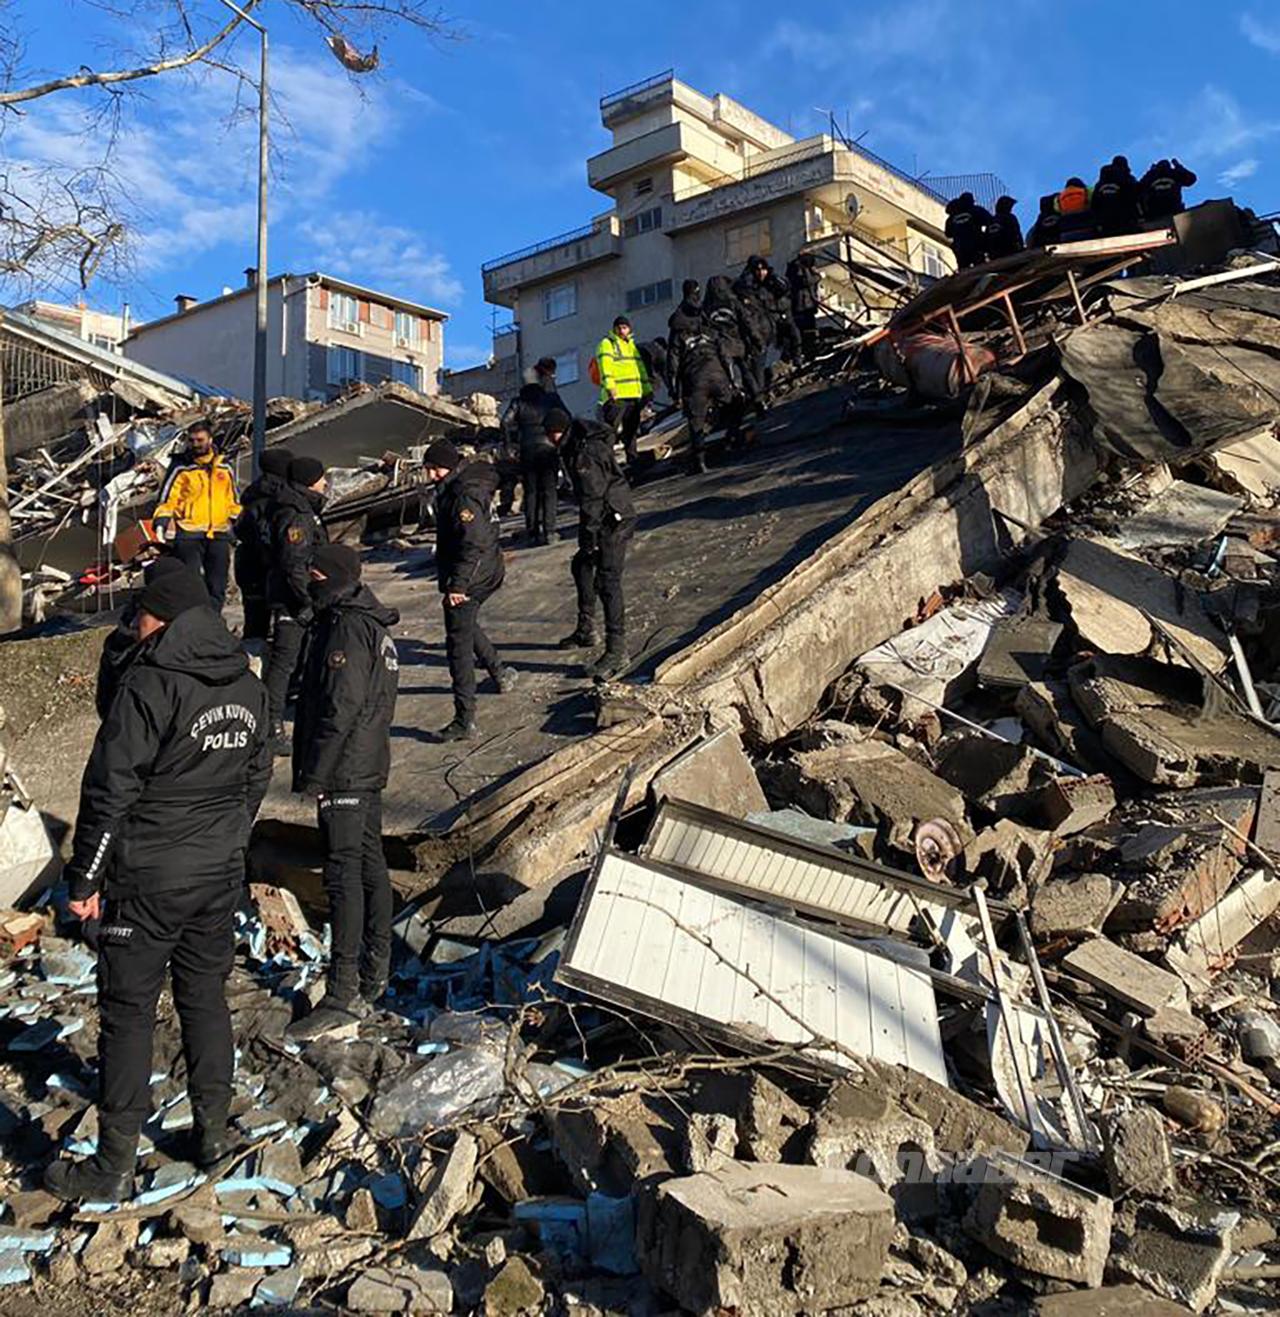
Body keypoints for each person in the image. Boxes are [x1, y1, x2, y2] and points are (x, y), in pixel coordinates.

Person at [45, 569, 270, 1203]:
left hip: (147, 875)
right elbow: (256, 775)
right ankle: (213, 1135)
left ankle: (114, 1164)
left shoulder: (150, 682)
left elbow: (109, 788)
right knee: (205, 998)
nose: (132, 623)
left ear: (161, 616)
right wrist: (228, 840)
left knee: (127, 1012)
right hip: (217, 874)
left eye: (138, 613)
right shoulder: (247, 684)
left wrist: (85, 877)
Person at [287, 544, 400, 1037]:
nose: (307, 583)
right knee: (369, 864)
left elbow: (340, 705)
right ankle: (376, 972)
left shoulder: (348, 628)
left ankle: (342, 991)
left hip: (346, 769)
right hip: (365, 763)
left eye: (314, 576)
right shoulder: (368, 624)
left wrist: (317, 773)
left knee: (343, 874)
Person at [422, 438, 515, 741]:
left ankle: (465, 719)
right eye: (428, 469)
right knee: (463, 623)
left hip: (473, 575)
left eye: (435, 469)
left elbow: (473, 543)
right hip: (483, 569)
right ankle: (499, 672)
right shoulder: (458, 487)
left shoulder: (463, 496)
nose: (431, 475)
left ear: (449, 466)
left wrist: (458, 584)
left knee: (457, 647)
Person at [543, 408, 635, 678]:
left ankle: (617, 650)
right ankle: (586, 629)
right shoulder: (573, 445)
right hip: (601, 515)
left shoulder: (585, 452)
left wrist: (590, 537)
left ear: (560, 430)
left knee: (608, 581)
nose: (550, 439)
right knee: (581, 565)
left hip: (613, 518)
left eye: (551, 434)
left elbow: (593, 497)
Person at [263, 456, 329, 753]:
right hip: (293, 600)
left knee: (301, 660)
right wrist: (308, 600)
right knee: (284, 662)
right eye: (321, 478)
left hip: (300, 595)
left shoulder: (302, 508)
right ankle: (271, 727)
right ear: (310, 482)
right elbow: (294, 564)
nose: (325, 483)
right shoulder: (296, 515)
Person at [152, 420, 241, 611]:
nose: (195, 445)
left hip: (218, 533)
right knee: (191, 582)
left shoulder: (224, 467)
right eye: (192, 441)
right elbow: (167, 499)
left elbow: (233, 500)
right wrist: (161, 521)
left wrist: (240, 524)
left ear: (210, 440)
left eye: (200, 440)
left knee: (217, 584)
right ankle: (192, 617)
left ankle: (213, 618)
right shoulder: (181, 468)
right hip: (189, 533)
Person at [233, 447, 293, 641]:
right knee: (285, 625)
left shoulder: (253, 493)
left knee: (255, 622)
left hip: (249, 565)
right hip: (271, 566)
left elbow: (240, 529)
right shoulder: (282, 496)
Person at [507, 382, 563, 545]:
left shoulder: (518, 402)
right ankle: (550, 531)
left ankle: (533, 532)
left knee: (531, 491)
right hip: (549, 447)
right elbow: (564, 416)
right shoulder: (551, 399)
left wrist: (510, 443)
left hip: (527, 450)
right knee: (549, 490)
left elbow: (505, 421)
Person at [594, 315, 652, 467]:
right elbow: (605, 366)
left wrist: (647, 390)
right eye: (619, 328)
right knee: (610, 432)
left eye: (624, 327)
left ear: (629, 329)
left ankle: (633, 460)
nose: (621, 330)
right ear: (614, 329)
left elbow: (640, 370)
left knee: (631, 431)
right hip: (617, 396)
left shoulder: (631, 346)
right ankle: (606, 464)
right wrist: (610, 387)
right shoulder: (607, 344)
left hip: (633, 395)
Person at [732, 256, 778, 400]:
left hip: (761, 332)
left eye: (764, 269)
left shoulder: (758, 285)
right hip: (756, 335)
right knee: (756, 367)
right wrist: (757, 337)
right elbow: (749, 318)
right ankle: (759, 397)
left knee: (756, 367)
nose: (762, 273)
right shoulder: (747, 287)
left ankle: (757, 395)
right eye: (759, 270)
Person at [1092, 156, 1141, 236]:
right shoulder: (1127, 179)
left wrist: (1097, 223)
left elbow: (1094, 205)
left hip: (1105, 225)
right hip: (1125, 222)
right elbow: (1134, 197)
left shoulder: (1100, 184)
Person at [786, 252, 821, 361]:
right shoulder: (795, 271)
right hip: (801, 307)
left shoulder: (809, 271)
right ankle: (802, 355)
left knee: (809, 333)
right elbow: (805, 281)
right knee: (800, 335)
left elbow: (811, 281)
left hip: (807, 307)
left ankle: (809, 354)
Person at [945, 192, 992, 269]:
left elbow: (948, 234)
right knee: (980, 268)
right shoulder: (977, 210)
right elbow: (990, 222)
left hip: (960, 249)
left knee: (964, 269)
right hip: (976, 246)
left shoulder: (952, 217)